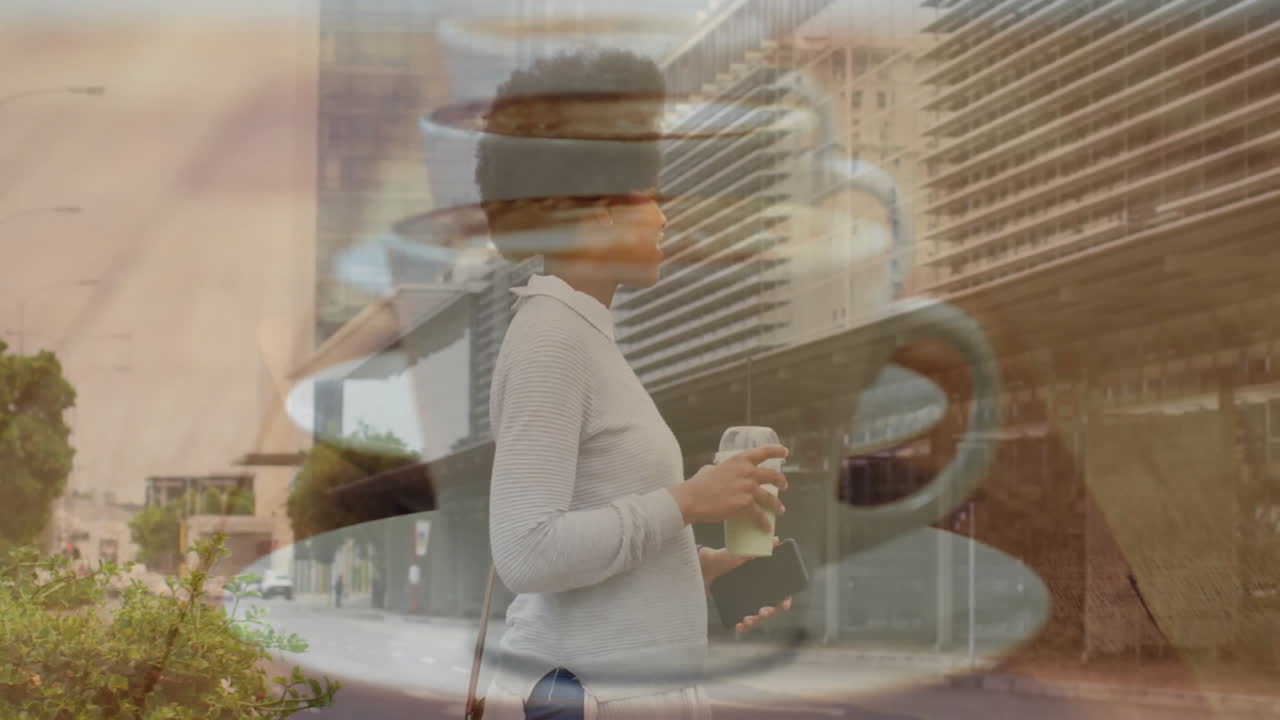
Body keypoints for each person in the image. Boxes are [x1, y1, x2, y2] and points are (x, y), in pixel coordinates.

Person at [478, 48, 792, 720]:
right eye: (652, 197)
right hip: (585, 697)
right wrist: (687, 499)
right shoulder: (552, 339)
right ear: (597, 211)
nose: (664, 219)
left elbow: (596, 549)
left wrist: (699, 568)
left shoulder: (585, 337)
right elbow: (526, 554)